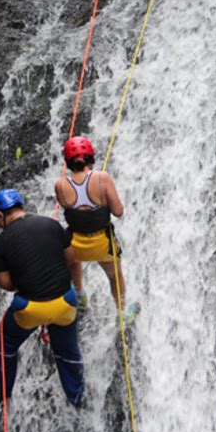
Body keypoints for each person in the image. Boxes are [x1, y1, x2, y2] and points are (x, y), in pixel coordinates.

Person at [0, 188, 84, 406]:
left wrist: (24, 279)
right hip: (65, 303)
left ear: (0, 215)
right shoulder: (50, 224)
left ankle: (3, 394)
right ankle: (77, 398)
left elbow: (5, 283)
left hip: (29, 308)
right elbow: (72, 258)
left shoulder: (1, 241)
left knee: (7, 344)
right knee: (68, 353)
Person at [54, 136, 139, 321]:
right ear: (91, 158)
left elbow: (70, 210)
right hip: (101, 244)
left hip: (75, 246)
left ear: (68, 162)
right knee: (114, 276)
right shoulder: (102, 178)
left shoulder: (60, 185)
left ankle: (79, 294)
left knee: (74, 261)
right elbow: (118, 211)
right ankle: (122, 312)